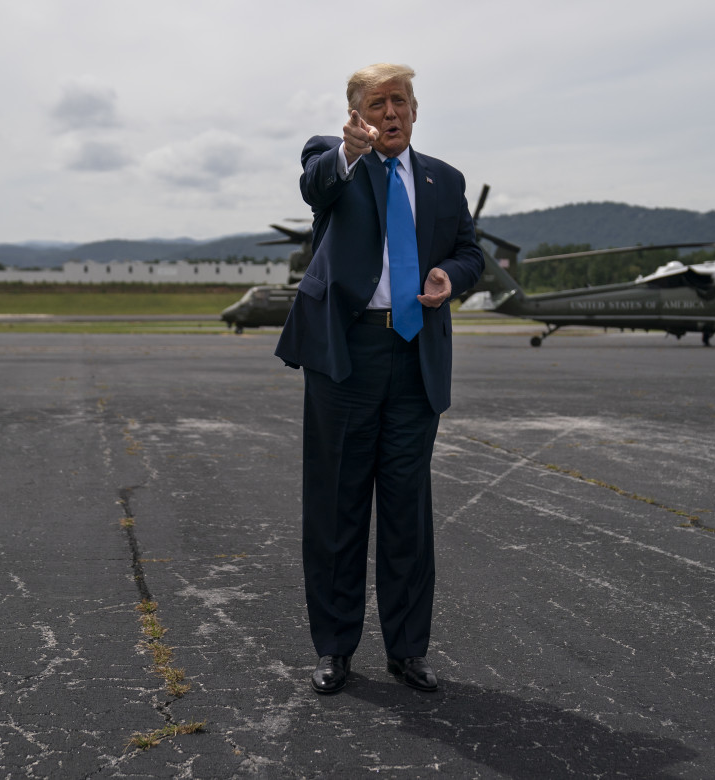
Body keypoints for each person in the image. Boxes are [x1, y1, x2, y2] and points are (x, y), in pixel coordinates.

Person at [275, 63, 484, 695]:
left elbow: (471, 251)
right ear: (357, 114)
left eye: (399, 101)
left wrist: (453, 275)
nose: (389, 112)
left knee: (406, 512)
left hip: (415, 352)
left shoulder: (444, 180)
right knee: (337, 505)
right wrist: (347, 148)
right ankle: (335, 649)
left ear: (415, 111)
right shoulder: (335, 158)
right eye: (375, 104)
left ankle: (408, 650)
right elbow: (316, 188)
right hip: (348, 354)